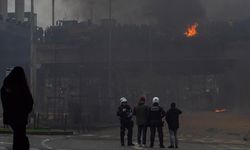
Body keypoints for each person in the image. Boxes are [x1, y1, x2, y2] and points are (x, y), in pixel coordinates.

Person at [1, 66, 34, 150]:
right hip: (21, 118)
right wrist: (26, 111)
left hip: (12, 117)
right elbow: (29, 101)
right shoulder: (22, 87)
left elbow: (5, 99)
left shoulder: (7, 86)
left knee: (17, 137)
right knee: (20, 137)